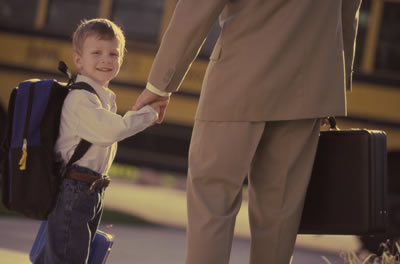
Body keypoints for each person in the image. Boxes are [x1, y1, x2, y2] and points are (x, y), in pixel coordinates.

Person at [134, 0, 362, 263]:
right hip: (307, 90)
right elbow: (348, 10)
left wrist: (160, 85)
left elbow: (195, 9)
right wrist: (332, 85)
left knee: (212, 203)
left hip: (236, 83)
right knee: (279, 214)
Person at [35, 18, 166, 264]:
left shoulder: (101, 97)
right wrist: (151, 113)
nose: (106, 59)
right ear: (78, 59)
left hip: (90, 190)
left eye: (113, 54)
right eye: (96, 52)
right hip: (73, 190)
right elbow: (112, 130)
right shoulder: (81, 100)